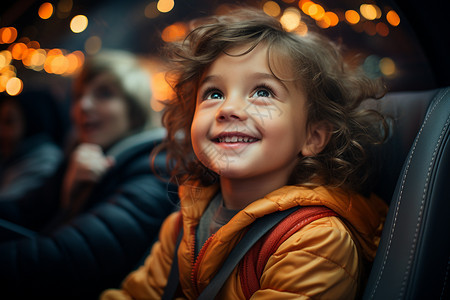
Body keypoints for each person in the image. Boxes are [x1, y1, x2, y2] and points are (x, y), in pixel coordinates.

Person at [101, 8, 389, 300]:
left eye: (263, 92)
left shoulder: (315, 239)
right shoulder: (183, 224)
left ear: (312, 137)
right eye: (214, 94)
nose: (228, 109)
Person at [0, 50, 175, 299]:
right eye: (79, 95)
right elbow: (24, 210)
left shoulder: (157, 172)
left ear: (134, 108)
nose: (83, 105)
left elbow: (69, 259)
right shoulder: (83, 157)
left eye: (104, 94)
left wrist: (72, 204)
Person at [0, 93, 65, 203]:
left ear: (31, 121)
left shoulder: (46, 161)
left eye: (9, 122)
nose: (1, 131)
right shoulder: (12, 156)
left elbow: (8, 207)